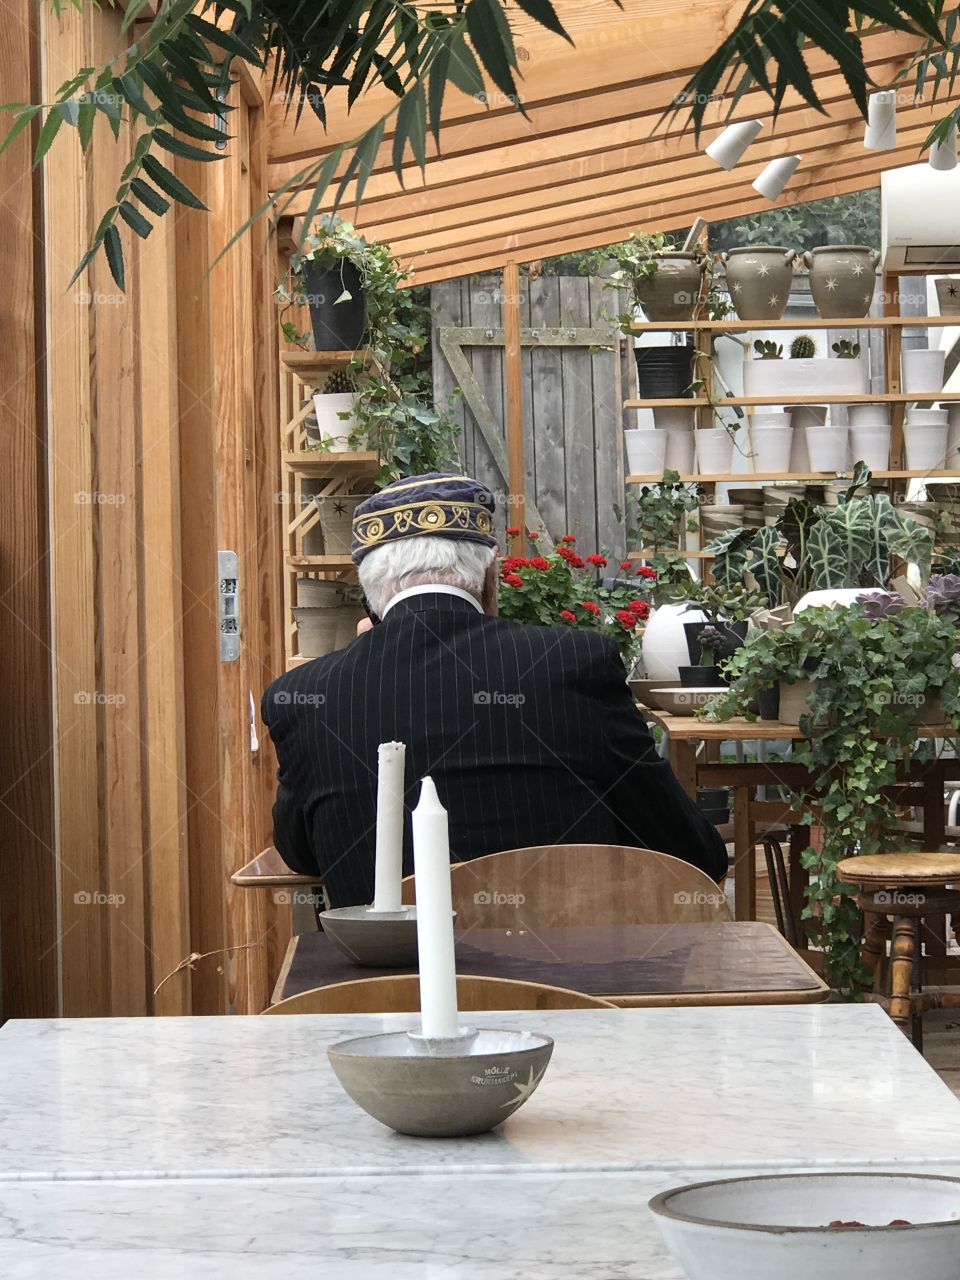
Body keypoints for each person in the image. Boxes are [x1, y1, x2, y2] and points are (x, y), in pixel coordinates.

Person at [261, 472, 727, 906]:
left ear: (369, 596)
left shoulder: (302, 697)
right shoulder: (574, 664)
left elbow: (300, 853)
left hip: (387, 969)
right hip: (571, 966)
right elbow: (689, 850)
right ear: (490, 578)